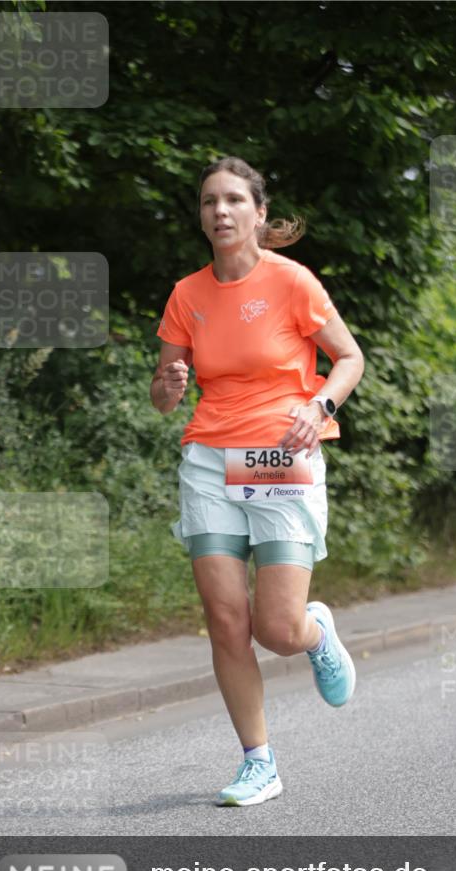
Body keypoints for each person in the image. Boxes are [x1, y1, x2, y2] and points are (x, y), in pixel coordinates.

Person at [151, 156, 365, 806]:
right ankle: (257, 761)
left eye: (234, 200)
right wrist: (167, 385)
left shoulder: (292, 282)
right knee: (224, 619)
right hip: (210, 459)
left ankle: (314, 632)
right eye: (210, 201)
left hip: (278, 454)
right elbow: (164, 397)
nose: (220, 211)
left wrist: (319, 406)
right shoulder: (187, 294)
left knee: (274, 628)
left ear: (258, 213)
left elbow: (349, 358)